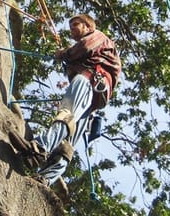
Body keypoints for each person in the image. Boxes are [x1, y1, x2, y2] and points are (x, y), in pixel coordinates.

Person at [10, 14, 121, 186]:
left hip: (89, 79)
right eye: (70, 27)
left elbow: (85, 47)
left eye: (75, 24)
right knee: (68, 142)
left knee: (65, 114)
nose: (72, 30)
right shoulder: (95, 50)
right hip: (93, 98)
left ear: (88, 26)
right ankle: (45, 178)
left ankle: (39, 148)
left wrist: (64, 53)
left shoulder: (99, 36)